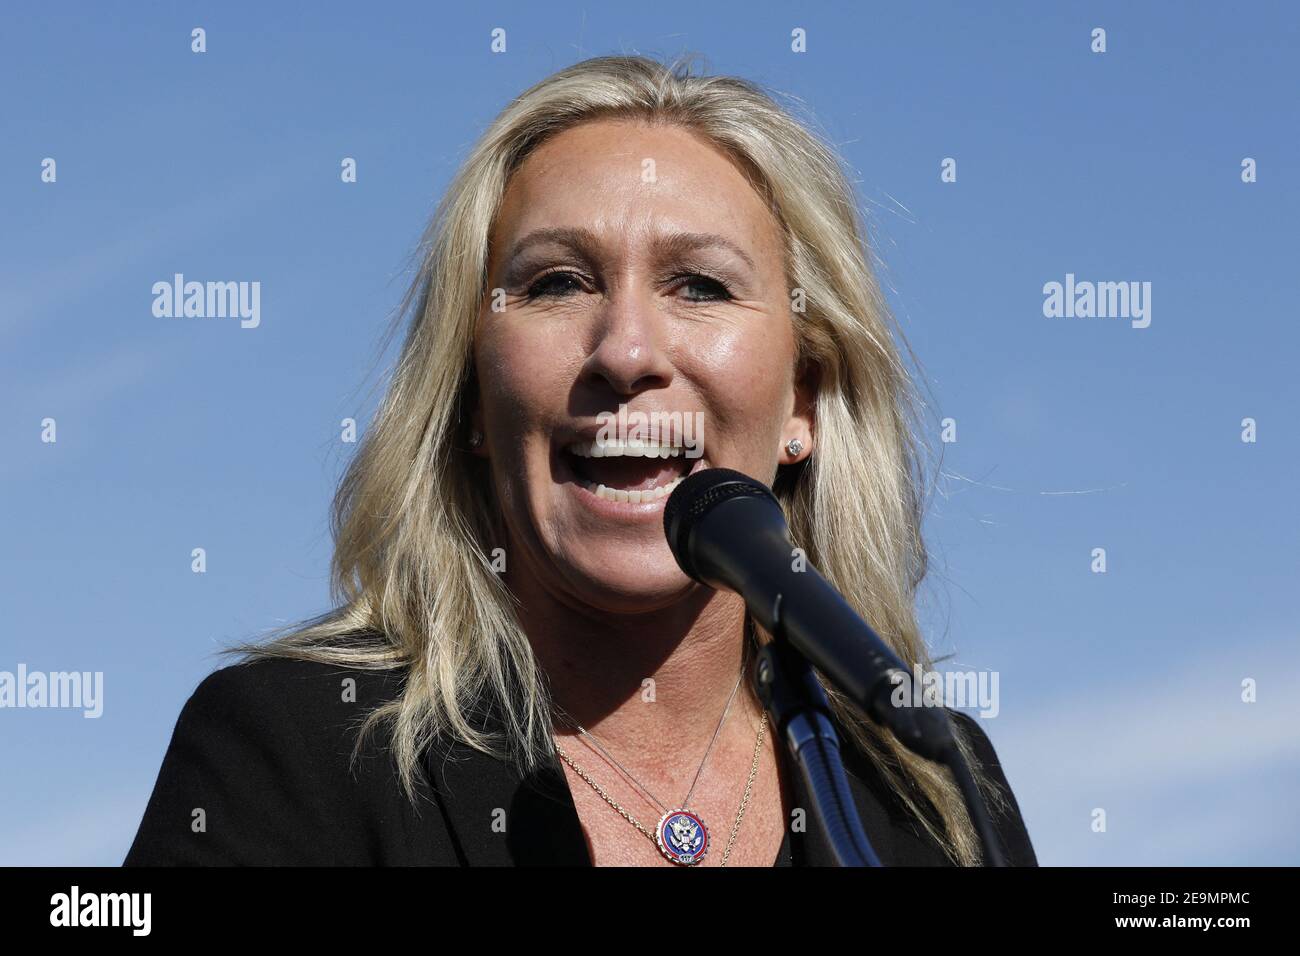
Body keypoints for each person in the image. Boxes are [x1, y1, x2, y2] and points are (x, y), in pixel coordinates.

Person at [124, 53, 1037, 867]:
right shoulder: (292, 746)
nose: (627, 351)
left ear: (802, 400)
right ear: (473, 397)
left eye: (701, 286)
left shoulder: (935, 788)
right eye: (558, 282)